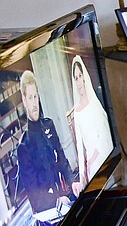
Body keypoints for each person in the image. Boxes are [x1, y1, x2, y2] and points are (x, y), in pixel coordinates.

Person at [16, 70, 81, 214]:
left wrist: (72, 181)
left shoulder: (49, 125)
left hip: (65, 197)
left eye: (35, 96)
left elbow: (62, 160)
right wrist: (56, 200)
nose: (34, 103)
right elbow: (35, 196)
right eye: (30, 98)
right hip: (49, 208)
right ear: (24, 100)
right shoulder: (24, 146)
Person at [70, 56, 114, 187]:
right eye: (76, 78)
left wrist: (93, 158)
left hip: (101, 153)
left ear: (84, 77)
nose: (79, 82)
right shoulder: (77, 112)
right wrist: (83, 174)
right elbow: (79, 146)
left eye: (80, 76)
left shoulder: (94, 103)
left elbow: (103, 133)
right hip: (90, 161)